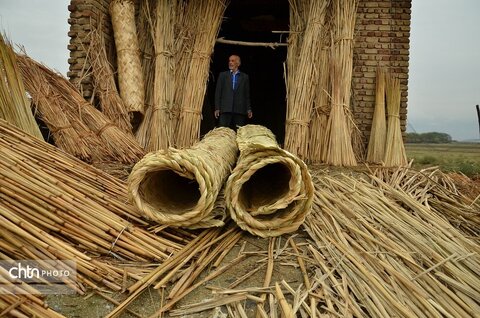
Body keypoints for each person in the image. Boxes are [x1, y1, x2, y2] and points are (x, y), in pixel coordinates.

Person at [214, 55, 252, 130]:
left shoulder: (245, 77)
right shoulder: (223, 75)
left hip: (239, 110)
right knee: (222, 132)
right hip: (225, 109)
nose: (230, 62)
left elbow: (246, 95)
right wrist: (217, 108)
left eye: (233, 61)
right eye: (229, 61)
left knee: (239, 133)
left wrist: (248, 109)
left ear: (238, 63)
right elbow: (218, 93)